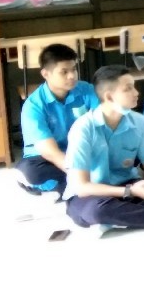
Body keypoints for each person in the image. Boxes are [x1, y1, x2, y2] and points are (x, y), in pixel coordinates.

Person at [63, 66, 144, 231]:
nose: (136, 92)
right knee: (97, 211)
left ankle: (120, 218)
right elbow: (82, 186)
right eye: (128, 89)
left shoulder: (140, 122)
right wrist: (130, 191)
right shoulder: (83, 128)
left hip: (128, 184)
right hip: (92, 193)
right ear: (109, 97)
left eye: (134, 87)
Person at [16, 43, 98, 198]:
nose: (72, 76)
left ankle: (63, 188)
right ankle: (77, 184)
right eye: (64, 72)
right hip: (48, 157)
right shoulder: (33, 106)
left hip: (81, 150)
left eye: (74, 69)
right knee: (32, 172)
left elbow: (103, 125)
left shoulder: (86, 90)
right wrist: (79, 174)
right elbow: (51, 152)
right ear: (46, 74)